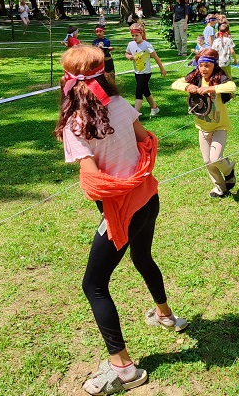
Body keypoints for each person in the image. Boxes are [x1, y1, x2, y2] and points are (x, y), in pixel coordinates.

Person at [54, 46, 186, 395]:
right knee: (142, 257)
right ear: (106, 75)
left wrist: (118, 188)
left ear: (67, 83)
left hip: (123, 212)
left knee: (93, 285)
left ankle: (124, 369)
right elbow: (147, 141)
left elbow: (95, 182)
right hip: (148, 197)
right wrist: (133, 173)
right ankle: (166, 315)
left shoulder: (75, 125)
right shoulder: (122, 105)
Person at [171, 48, 237, 198]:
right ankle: (219, 188)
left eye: (207, 65)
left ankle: (229, 170)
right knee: (208, 161)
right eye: (201, 65)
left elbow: (232, 86)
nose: (203, 69)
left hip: (219, 126)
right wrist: (188, 86)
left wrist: (211, 88)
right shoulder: (195, 77)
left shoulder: (220, 77)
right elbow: (175, 83)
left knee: (215, 158)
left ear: (214, 65)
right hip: (202, 127)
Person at [126, 24, 166, 116]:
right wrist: (129, 57)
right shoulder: (130, 44)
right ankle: (154, 108)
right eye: (133, 35)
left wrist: (162, 69)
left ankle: (135, 114)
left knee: (139, 91)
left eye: (137, 35)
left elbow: (156, 58)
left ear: (142, 34)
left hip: (146, 73)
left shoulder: (147, 45)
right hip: (137, 72)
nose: (134, 37)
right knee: (145, 91)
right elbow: (126, 53)